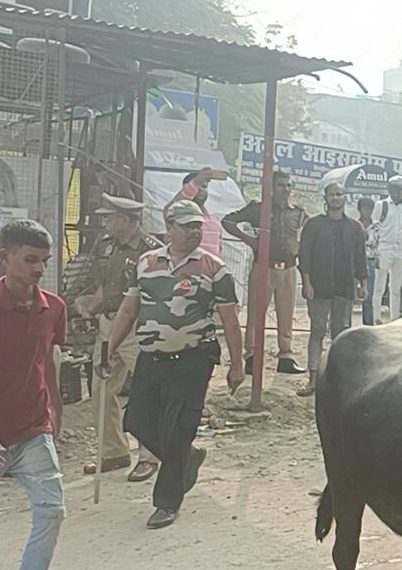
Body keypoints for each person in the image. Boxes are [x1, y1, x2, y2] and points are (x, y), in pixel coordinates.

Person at [106, 200, 245, 529]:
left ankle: (167, 502)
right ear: (170, 228)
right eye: (187, 225)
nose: (195, 231)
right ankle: (186, 458)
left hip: (193, 359)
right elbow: (128, 310)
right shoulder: (145, 263)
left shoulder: (214, 269)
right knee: (137, 421)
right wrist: (110, 349)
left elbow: (229, 321)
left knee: (179, 429)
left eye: (198, 225)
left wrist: (237, 365)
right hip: (151, 357)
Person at [77, 194, 161, 482]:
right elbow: (106, 285)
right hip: (107, 325)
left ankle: (150, 456)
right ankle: (113, 452)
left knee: (148, 391)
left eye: (109, 217)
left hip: (138, 327)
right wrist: (92, 305)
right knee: (101, 388)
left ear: (127, 220)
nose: (104, 222)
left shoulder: (152, 252)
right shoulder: (106, 246)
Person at [0, 220, 67, 570]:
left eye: (45, 260)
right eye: (30, 259)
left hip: (33, 429)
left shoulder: (54, 308)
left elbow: (48, 360)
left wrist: (56, 405)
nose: (40, 268)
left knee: (51, 511)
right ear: (5, 257)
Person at [222, 170, 308, 375]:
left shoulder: (298, 212)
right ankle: (251, 355)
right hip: (263, 266)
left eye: (288, 185)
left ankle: (285, 354)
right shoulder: (258, 209)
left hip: (288, 268)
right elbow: (228, 221)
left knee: (287, 314)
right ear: (270, 187)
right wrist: (249, 240)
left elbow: (310, 230)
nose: (285, 189)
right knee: (255, 313)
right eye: (281, 185)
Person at [297, 183, 367, 397]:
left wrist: (362, 284)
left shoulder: (355, 227)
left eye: (339, 194)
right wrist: (307, 283)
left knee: (341, 334)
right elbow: (304, 256)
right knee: (317, 331)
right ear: (325, 198)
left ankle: (338, 380)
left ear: (345, 198)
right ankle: (313, 379)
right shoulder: (314, 225)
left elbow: (361, 258)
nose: (336, 198)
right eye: (332, 195)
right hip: (319, 287)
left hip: (344, 288)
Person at [367, 175, 402, 322]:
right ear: (394, 191)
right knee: (379, 287)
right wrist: (374, 252)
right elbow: (374, 229)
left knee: (396, 288)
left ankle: (394, 320)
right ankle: (377, 319)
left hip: (400, 249)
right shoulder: (382, 205)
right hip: (384, 248)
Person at [164, 167, 223, 255]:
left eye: (204, 186)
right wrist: (195, 182)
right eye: (196, 186)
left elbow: (219, 250)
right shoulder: (176, 215)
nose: (200, 189)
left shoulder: (215, 220)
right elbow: (169, 209)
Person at [356, 197, 377, 325]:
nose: (367, 212)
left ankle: (368, 325)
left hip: (369, 261)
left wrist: (365, 234)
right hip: (354, 261)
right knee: (349, 296)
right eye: (364, 209)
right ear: (359, 209)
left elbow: (374, 242)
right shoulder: (353, 224)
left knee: (368, 297)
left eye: (369, 209)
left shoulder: (376, 226)